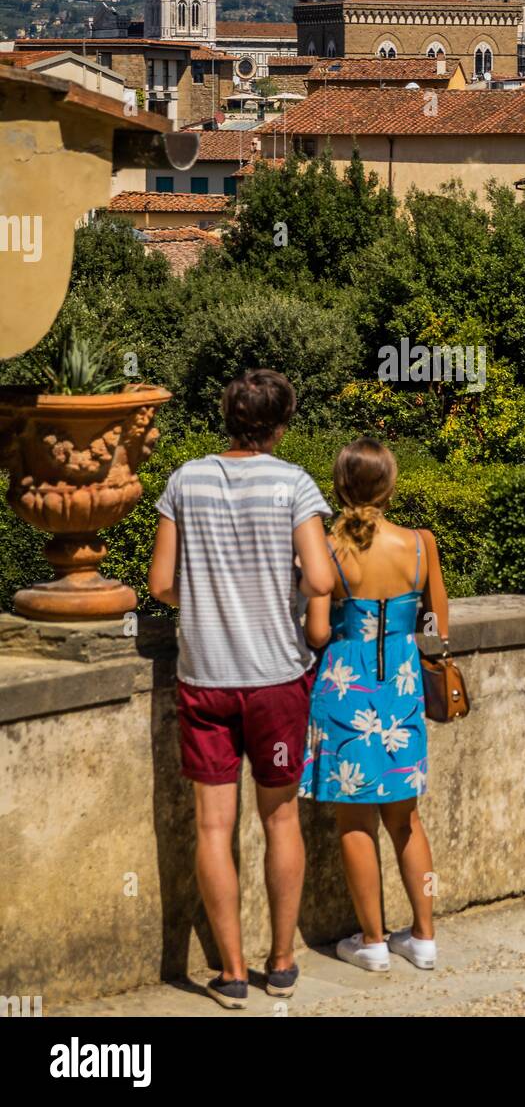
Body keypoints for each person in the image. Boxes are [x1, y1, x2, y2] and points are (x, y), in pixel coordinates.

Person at [148, 369, 333, 1010]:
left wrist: (208, 597)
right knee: (281, 820)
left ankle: (229, 971)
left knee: (211, 827)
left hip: (204, 677)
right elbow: (319, 575)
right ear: (281, 426)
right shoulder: (294, 484)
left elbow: (161, 583)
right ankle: (279, 961)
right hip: (276, 678)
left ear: (227, 417)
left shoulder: (185, 480)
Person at [299, 437, 449, 973]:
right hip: (403, 684)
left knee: (354, 819)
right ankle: (425, 937)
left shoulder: (328, 548)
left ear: (340, 486)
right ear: (390, 484)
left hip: (346, 690)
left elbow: (317, 633)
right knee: (406, 819)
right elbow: (437, 624)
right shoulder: (419, 544)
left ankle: (372, 941)